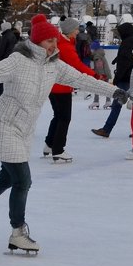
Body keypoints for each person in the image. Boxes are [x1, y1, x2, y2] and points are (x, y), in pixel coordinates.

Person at [0, 14, 124, 255]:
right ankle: (18, 233)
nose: (53, 46)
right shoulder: (17, 61)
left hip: (25, 130)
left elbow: (82, 80)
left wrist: (114, 91)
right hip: (5, 125)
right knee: (22, 180)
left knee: (7, 176)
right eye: (48, 42)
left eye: (54, 41)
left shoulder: (55, 66)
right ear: (35, 43)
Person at [44, 18, 101, 162]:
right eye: (76, 29)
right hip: (61, 87)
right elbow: (77, 65)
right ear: (70, 30)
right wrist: (95, 74)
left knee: (58, 116)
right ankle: (58, 150)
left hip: (53, 86)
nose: (78, 32)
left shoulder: (60, 43)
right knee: (64, 118)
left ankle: (49, 145)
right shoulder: (65, 46)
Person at [91, 19, 133, 138]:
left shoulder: (127, 42)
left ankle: (107, 129)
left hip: (126, 78)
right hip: (131, 77)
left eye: (120, 32)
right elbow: (127, 58)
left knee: (118, 104)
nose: (118, 35)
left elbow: (126, 62)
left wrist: (117, 78)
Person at [88, 41, 113, 109]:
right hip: (105, 73)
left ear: (95, 49)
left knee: (97, 87)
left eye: (92, 49)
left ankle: (96, 102)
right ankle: (108, 101)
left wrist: (101, 75)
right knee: (106, 88)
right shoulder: (100, 54)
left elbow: (100, 66)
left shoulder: (97, 56)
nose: (91, 50)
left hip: (102, 74)